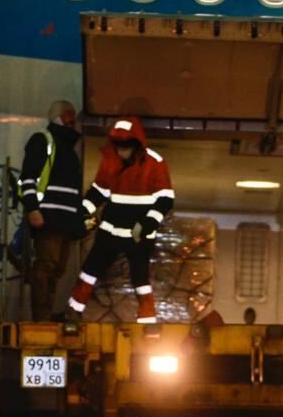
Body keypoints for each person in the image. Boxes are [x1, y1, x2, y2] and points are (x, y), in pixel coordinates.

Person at [67, 116, 174, 324]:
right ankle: (73, 312)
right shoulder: (110, 161)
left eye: (125, 147)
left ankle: (147, 321)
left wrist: (147, 223)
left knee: (140, 278)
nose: (121, 152)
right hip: (110, 230)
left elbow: (165, 199)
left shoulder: (155, 163)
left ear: (136, 146)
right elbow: (99, 192)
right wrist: (81, 213)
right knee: (89, 271)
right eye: (118, 147)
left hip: (138, 233)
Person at [17, 100, 85, 321]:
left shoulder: (68, 150)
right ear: (58, 116)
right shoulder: (44, 141)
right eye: (68, 115)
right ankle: (42, 316)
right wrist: (33, 210)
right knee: (45, 269)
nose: (72, 120)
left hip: (63, 222)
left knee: (55, 271)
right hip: (50, 219)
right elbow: (27, 179)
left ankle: (46, 313)